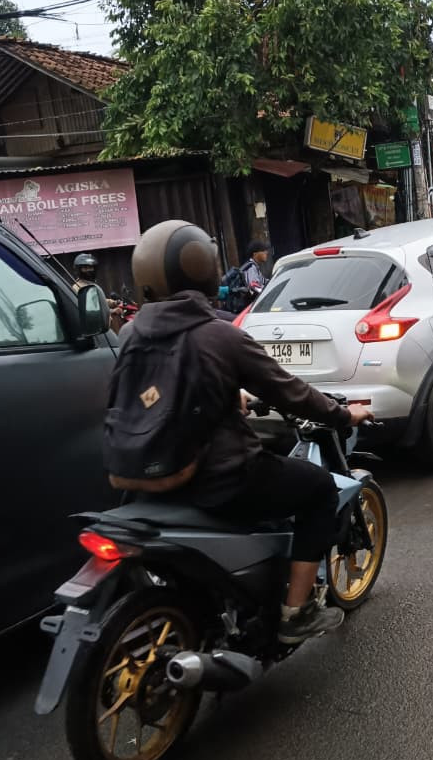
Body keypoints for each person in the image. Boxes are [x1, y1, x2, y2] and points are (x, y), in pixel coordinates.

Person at [119, 220, 374, 642]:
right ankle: (297, 612)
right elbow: (291, 393)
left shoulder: (130, 333)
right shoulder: (220, 336)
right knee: (318, 488)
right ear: (204, 270)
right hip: (220, 481)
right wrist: (344, 415)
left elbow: (156, 394)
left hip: (145, 481)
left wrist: (225, 396)